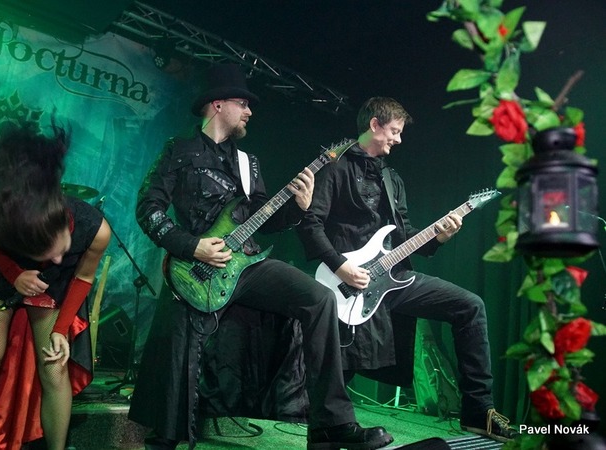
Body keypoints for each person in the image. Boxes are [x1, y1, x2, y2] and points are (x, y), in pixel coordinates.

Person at [128, 64, 394, 450]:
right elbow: (148, 210)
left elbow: (262, 220)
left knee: (320, 299)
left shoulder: (247, 162)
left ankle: (331, 425)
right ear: (217, 105)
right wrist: (191, 246)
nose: (250, 111)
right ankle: (166, 436)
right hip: (196, 266)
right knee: (183, 319)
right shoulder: (178, 150)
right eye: (243, 103)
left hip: (247, 264)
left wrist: (298, 206)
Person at [296, 97, 519, 443]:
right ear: (374, 125)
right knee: (344, 359)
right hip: (348, 279)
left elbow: (403, 236)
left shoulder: (391, 179)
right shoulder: (335, 168)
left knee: (470, 306)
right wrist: (341, 267)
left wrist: (438, 236)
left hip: (393, 278)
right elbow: (310, 224)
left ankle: (479, 412)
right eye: (394, 131)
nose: (398, 140)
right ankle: (327, 427)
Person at [0, 121, 111, 450]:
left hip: (56, 288)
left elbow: (82, 277)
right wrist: (14, 273)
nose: (59, 259)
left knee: (54, 369)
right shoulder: (5, 225)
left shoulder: (95, 229)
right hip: (3, 275)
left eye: (61, 249)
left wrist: (61, 329)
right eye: (47, 255)